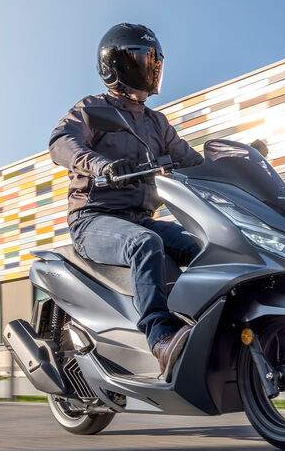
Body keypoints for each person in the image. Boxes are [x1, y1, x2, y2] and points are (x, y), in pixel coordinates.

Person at [49, 23, 204, 381]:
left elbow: (191, 161)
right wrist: (100, 164)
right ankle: (160, 337)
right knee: (144, 244)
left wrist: (232, 168)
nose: (149, 68)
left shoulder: (156, 123)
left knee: (204, 247)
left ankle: (202, 330)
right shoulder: (93, 108)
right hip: (94, 218)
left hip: (141, 217)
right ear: (114, 67)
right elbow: (62, 141)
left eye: (153, 61)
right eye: (140, 59)